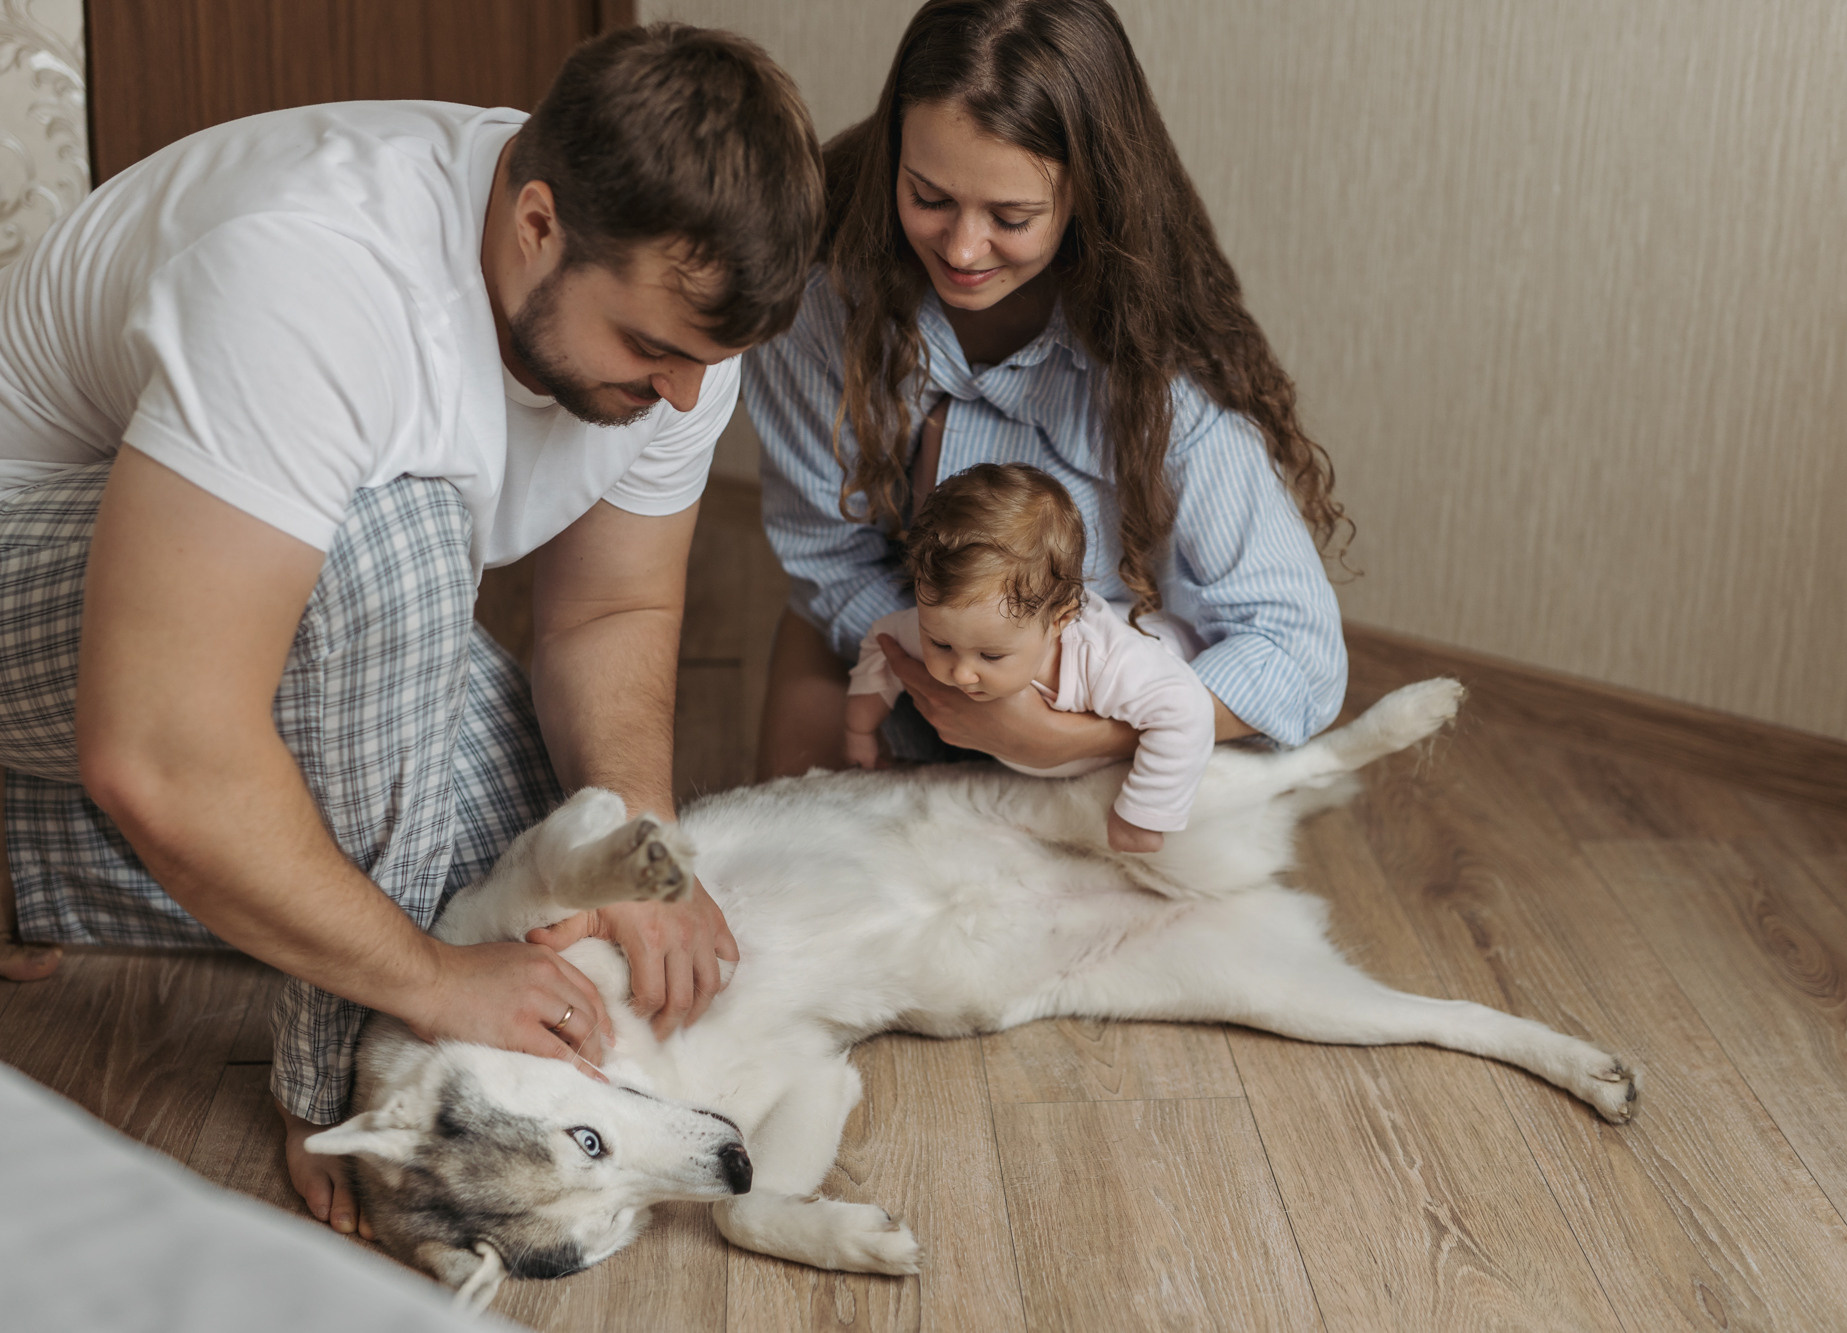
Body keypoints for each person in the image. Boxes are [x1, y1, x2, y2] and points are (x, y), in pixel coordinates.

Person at [0, 24, 822, 1232]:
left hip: (267, 606)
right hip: (45, 585)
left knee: (556, 895)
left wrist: (641, 841)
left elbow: (610, 607)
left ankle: (26, 863)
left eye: (708, 361)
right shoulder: (312, 276)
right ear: (535, 222)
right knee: (393, 553)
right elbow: (158, 742)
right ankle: (322, 1066)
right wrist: (424, 989)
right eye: (651, 350)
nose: (686, 397)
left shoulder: (677, 335)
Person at [745, 0, 1351, 784]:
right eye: (929, 196)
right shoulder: (821, 296)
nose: (962, 249)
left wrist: (1076, 734)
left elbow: (1300, 656)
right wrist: (943, 673)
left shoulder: (1158, 368)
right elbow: (828, 559)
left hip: (1097, 706)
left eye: (1012, 216)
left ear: (1085, 199)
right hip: (889, 652)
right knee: (784, 873)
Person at [845, 463, 1211, 852]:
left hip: (1177, 655)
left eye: (991, 655)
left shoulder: (1104, 661)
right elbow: (881, 641)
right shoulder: (950, 628)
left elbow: (1189, 710)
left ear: (1061, 621)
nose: (963, 673)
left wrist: (1141, 815)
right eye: (940, 645)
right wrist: (861, 729)